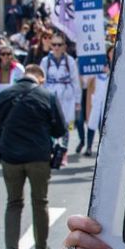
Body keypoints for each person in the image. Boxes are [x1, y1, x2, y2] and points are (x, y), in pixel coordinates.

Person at [0, 64, 67, 249]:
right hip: (38, 156)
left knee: (13, 202)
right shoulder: (47, 96)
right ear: (40, 79)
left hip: (10, 157)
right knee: (40, 201)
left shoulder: (5, 95)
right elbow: (59, 129)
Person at [39, 32, 80, 165]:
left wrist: (78, 101)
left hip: (66, 96)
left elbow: (75, 82)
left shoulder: (70, 61)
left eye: (59, 45)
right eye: (54, 44)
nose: (56, 47)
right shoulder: (45, 61)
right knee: (50, 124)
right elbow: (41, 80)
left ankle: (63, 153)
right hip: (50, 95)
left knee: (66, 125)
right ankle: (51, 152)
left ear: (64, 46)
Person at [0, 43, 25, 135]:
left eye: (8, 54)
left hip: (12, 95)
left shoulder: (18, 68)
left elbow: (23, 82)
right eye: (3, 54)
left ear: (12, 55)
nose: (6, 56)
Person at [83, 45, 112, 156]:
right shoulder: (99, 66)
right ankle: (89, 147)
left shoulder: (116, 67)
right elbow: (88, 83)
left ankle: (103, 149)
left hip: (107, 102)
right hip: (96, 100)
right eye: (110, 51)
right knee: (92, 123)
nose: (112, 54)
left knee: (103, 125)